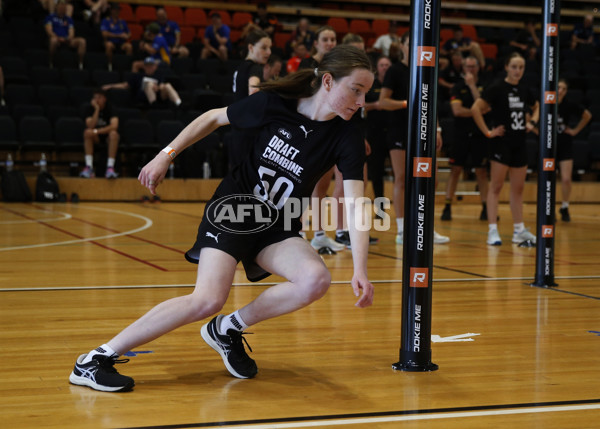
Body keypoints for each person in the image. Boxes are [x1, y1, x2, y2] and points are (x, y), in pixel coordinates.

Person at [69, 45, 375, 392]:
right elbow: (213, 117)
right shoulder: (276, 104)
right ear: (329, 82)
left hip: (277, 223)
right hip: (234, 208)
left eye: (366, 93)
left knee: (315, 279)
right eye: (357, 89)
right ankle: (95, 360)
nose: (362, 101)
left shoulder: (348, 133)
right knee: (208, 299)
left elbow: (356, 203)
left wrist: (360, 269)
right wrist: (165, 155)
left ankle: (228, 328)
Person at [379, 32, 449, 245]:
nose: (415, 48)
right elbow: (383, 101)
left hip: (424, 132)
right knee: (401, 179)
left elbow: (432, 101)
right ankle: (401, 230)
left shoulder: (426, 69)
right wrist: (405, 104)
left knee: (431, 180)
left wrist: (436, 130)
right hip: (399, 131)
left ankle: (425, 227)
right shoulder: (395, 70)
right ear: (402, 45)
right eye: (411, 44)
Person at [471, 52, 539, 246]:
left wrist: (532, 122)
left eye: (521, 67)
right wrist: (488, 132)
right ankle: (492, 230)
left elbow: (537, 107)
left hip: (520, 143)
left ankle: (519, 230)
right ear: (507, 67)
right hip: (501, 143)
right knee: (496, 187)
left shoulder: (525, 89)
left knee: (518, 189)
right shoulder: (497, 88)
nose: (518, 71)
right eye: (514, 67)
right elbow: (476, 108)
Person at [297, 25, 344, 251]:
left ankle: (319, 234)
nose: (330, 43)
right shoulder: (308, 65)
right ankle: (296, 230)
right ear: (316, 43)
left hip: (329, 130)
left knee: (322, 185)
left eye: (333, 39)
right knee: (302, 182)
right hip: (308, 129)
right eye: (325, 39)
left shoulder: (337, 67)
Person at [441, 56, 490, 222]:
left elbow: (483, 105)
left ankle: (486, 208)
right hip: (461, 134)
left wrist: (472, 86)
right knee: (455, 170)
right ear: (463, 68)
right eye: (467, 66)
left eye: (473, 66)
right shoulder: (457, 87)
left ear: (478, 67)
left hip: (479, 135)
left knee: (481, 172)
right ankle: (447, 206)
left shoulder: (483, 85)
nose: (470, 69)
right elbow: (457, 111)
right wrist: (477, 112)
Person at [228, 30, 272, 169]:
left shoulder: (240, 67)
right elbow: (253, 91)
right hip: (250, 128)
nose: (269, 52)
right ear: (251, 47)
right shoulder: (255, 68)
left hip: (237, 126)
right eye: (264, 48)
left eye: (269, 48)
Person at [555, 78, 592, 222]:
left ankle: (565, 206)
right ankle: (548, 208)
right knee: (548, 179)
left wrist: (575, 131)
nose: (561, 91)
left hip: (565, 144)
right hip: (549, 146)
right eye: (558, 87)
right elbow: (530, 115)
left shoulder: (569, 105)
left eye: (564, 88)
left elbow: (587, 115)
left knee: (566, 179)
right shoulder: (546, 104)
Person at [103, 57, 182, 107]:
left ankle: (179, 103)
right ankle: (153, 105)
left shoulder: (159, 75)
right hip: (143, 98)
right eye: (147, 65)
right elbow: (125, 85)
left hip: (159, 97)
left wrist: (157, 88)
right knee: (149, 84)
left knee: (167, 85)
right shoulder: (138, 76)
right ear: (144, 66)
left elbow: (161, 85)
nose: (149, 67)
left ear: (155, 66)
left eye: (151, 65)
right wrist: (110, 86)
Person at [365, 56, 392, 201]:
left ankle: (404, 205)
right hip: (375, 133)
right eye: (382, 65)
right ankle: (380, 206)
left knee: (400, 172)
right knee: (376, 172)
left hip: (394, 131)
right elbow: (361, 107)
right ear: (378, 67)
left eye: (387, 65)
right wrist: (376, 105)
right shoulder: (370, 84)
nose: (385, 67)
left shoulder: (395, 84)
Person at [79, 89, 119, 179]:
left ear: (104, 99)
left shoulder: (110, 108)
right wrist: (96, 110)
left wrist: (97, 131)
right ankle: (89, 167)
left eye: (99, 97)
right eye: (95, 97)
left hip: (107, 137)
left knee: (114, 134)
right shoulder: (90, 109)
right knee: (87, 133)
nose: (96, 100)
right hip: (96, 137)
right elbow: (90, 125)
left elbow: (114, 126)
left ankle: (110, 167)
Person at [44, 0, 86, 69]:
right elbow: (49, 31)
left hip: (67, 40)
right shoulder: (50, 17)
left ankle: (80, 64)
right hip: (56, 38)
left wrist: (68, 38)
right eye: (61, 6)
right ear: (57, 7)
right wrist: (58, 38)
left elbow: (71, 33)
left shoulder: (69, 19)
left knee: (82, 41)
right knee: (53, 40)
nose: (62, 8)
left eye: (64, 7)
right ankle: (51, 61)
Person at [100, 3, 132, 70]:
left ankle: (127, 66)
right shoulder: (106, 20)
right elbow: (104, 34)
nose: (117, 11)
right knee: (109, 45)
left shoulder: (122, 21)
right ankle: (109, 65)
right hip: (110, 41)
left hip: (121, 43)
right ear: (111, 10)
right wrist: (119, 35)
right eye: (115, 10)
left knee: (129, 46)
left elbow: (129, 33)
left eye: (118, 10)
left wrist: (127, 36)